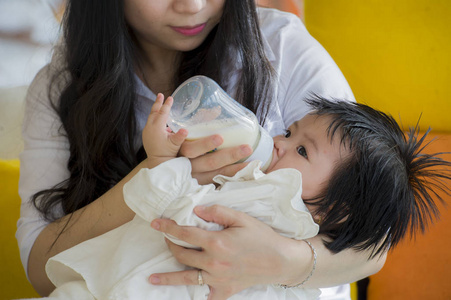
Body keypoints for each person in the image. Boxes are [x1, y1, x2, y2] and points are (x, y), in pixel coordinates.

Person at [17, 1, 383, 299]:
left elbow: (374, 238)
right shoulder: (61, 90)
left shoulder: (280, 47)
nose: (192, 6)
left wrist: (280, 260)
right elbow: (41, 270)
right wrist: (161, 170)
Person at [37, 95, 450, 300]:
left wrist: (166, 164)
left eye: (302, 150)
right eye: (289, 133)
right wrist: (164, 162)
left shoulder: (279, 210)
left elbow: (179, 212)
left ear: (336, 209)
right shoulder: (254, 182)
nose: (278, 142)